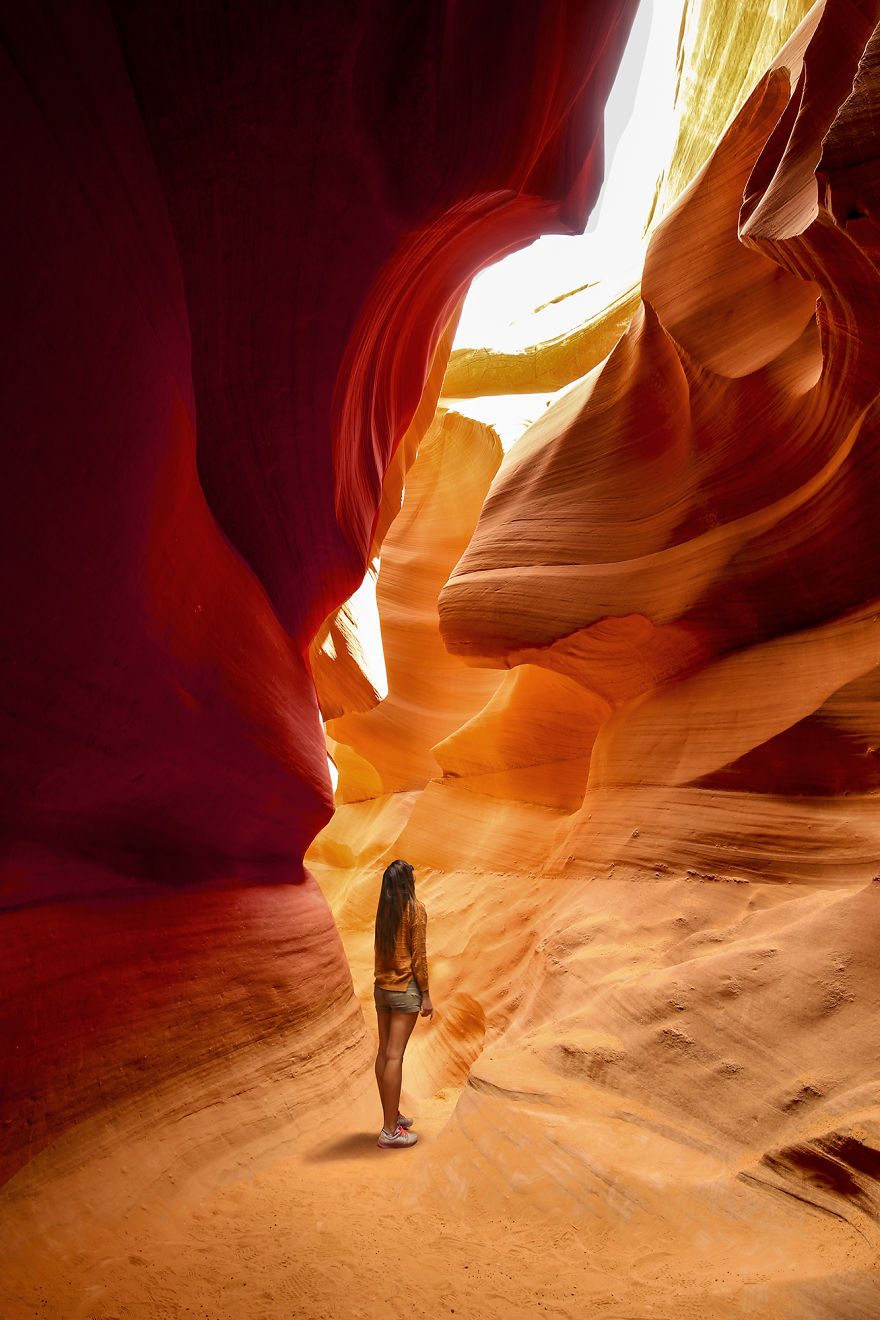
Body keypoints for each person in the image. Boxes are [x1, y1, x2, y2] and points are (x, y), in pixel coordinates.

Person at [373, 858, 433, 1148]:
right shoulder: (415, 909)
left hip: (381, 989)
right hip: (404, 989)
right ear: (406, 882)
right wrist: (427, 995)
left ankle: (390, 1115)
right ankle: (389, 1132)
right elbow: (419, 956)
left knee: (384, 1053)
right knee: (395, 1056)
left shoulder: (384, 911)